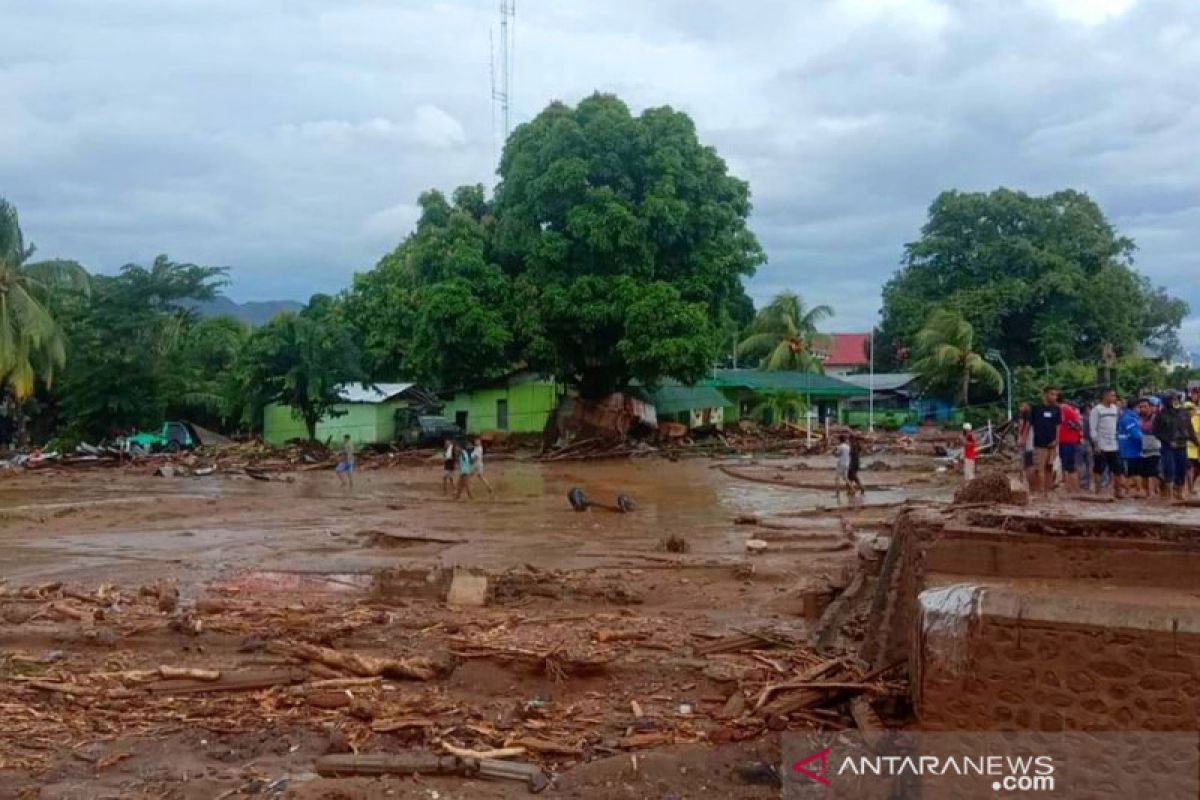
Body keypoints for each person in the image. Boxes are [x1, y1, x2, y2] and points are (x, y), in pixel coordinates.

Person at [1153, 391, 1199, 501]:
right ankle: (1170, 495)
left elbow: (1190, 429)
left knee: (1181, 470)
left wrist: (1197, 443)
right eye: (1172, 399)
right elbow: (1156, 432)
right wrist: (1167, 441)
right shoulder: (1161, 414)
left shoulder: (1183, 413)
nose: (1175, 401)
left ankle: (1179, 493)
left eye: (1176, 399)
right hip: (1168, 447)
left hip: (1182, 446)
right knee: (1169, 470)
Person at [1089, 389, 1122, 497]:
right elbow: (1093, 428)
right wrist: (1096, 443)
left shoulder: (1115, 409)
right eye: (1112, 396)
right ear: (1105, 396)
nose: (1114, 398)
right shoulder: (1097, 410)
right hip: (1101, 444)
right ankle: (1098, 489)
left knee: (1117, 469)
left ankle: (1118, 491)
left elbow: (1116, 425)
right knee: (1099, 469)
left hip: (1113, 444)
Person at [1029, 387, 1062, 496]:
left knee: (1050, 467)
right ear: (1045, 395)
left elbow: (1058, 425)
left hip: (1052, 444)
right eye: (1052, 394)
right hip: (1039, 443)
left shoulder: (1057, 409)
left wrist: (1057, 439)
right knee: (1039, 468)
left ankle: (1048, 491)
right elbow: (1031, 425)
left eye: (1056, 395)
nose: (1055, 397)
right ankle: (1040, 490)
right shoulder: (1036, 408)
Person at [1117, 399, 1144, 497]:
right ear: (1135, 407)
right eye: (1139, 407)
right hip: (1130, 450)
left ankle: (1135, 491)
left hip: (1132, 449)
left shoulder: (1130, 417)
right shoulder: (1129, 418)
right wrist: (1145, 440)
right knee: (1132, 472)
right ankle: (1130, 492)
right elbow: (1136, 435)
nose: (1141, 410)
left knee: (1134, 472)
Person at [1137, 398, 1162, 499]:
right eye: (1141, 407)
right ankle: (1149, 492)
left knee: (1152, 473)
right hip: (1142, 450)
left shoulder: (1156, 419)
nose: (1143, 409)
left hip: (1155, 450)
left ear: (1150, 408)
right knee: (1144, 474)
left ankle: (1152, 493)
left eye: (1145, 407)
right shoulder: (1138, 419)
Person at [1058, 399, 1083, 493]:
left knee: (1067, 465)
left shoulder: (1064, 409)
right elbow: (1078, 426)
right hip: (1072, 440)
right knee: (1071, 465)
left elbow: (1077, 425)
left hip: (1066, 440)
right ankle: (1074, 488)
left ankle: (1069, 488)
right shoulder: (1074, 412)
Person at [1017, 402, 1035, 491]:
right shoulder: (1021, 418)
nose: (1021, 407)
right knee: (1022, 462)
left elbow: (1026, 429)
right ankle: (1023, 482)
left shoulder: (1028, 418)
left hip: (1027, 444)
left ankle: (1029, 484)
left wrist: (1023, 439)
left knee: (1027, 463)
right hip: (1024, 442)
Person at [847, 434, 865, 506]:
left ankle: (860, 488)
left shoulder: (852, 446)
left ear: (851, 439)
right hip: (857, 463)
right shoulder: (857, 445)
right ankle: (851, 490)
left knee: (852, 476)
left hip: (853, 463)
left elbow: (850, 455)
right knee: (851, 477)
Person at [834, 434, 852, 504]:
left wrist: (834, 451)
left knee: (837, 478)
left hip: (841, 463)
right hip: (847, 463)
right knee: (845, 478)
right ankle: (853, 489)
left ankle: (837, 493)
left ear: (839, 440)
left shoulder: (840, 447)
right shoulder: (848, 447)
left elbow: (837, 455)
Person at [1188, 401, 1200, 494]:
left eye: (1190, 409)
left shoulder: (1196, 418)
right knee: (1191, 468)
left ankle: (1191, 486)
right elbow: (1195, 434)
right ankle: (1190, 487)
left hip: (1196, 448)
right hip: (1190, 448)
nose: (1189, 411)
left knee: (1196, 469)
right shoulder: (1194, 419)